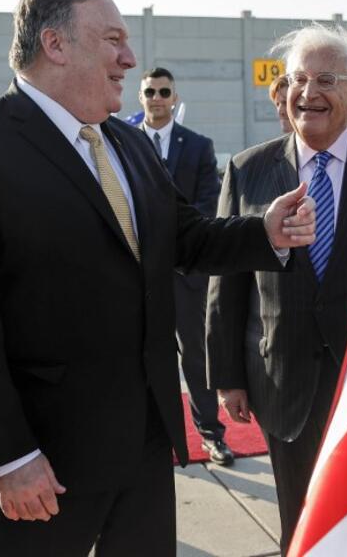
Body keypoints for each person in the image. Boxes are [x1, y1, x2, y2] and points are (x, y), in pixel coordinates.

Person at [0, 0, 314, 556]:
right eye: (114, 40)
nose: (129, 58)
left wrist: (264, 232)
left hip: (144, 451)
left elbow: (186, 238)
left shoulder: (128, 145)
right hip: (41, 465)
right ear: (55, 43)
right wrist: (8, 457)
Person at [205, 22, 347, 553]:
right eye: (297, 79)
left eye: (326, 80)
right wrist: (227, 377)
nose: (308, 94)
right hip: (282, 380)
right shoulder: (248, 169)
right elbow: (227, 282)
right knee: (301, 517)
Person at [137, 66, 233, 465]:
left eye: (164, 91)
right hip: (136, 274)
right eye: (150, 92)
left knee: (195, 356)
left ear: (174, 97)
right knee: (139, 358)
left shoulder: (197, 146)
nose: (157, 98)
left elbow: (207, 204)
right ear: (140, 97)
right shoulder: (119, 142)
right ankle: (147, 437)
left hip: (183, 275)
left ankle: (211, 433)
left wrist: (170, 245)